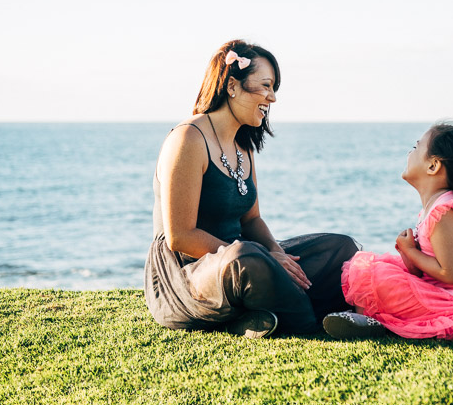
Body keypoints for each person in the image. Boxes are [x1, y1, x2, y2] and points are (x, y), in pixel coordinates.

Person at [144, 39, 358, 337]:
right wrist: (264, 256)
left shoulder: (244, 145)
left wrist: (275, 251)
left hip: (246, 257)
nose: (272, 98)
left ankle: (260, 316)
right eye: (266, 86)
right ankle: (310, 324)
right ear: (232, 86)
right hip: (188, 277)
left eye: (274, 89)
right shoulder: (188, 139)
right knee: (247, 259)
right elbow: (179, 237)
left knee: (339, 247)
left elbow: (252, 220)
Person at [323, 121, 453, 339]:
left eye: (416, 147)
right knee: (376, 267)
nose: (409, 152)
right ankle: (367, 319)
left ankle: (369, 321)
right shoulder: (434, 209)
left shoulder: (443, 212)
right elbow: (424, 273)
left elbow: (449, 274)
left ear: (433, 166)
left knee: (376, 275)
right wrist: (408, 253)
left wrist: (411, 251)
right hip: (438, 293)